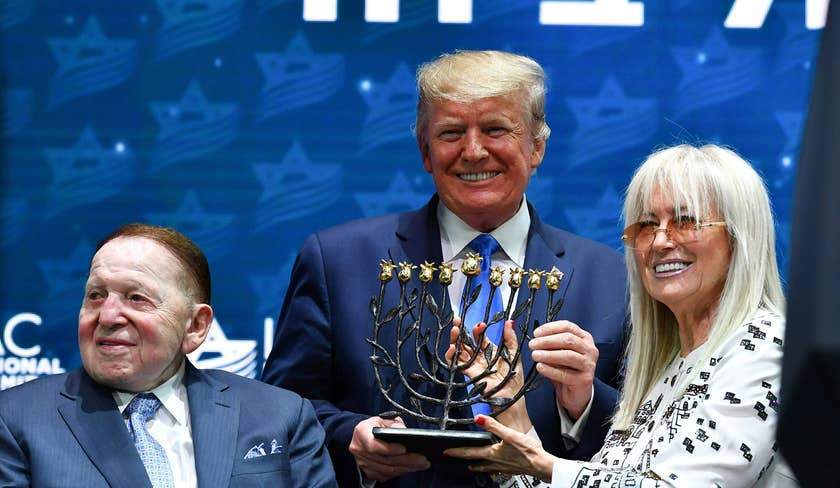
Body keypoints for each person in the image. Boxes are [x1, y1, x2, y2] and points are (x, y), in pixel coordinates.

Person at [261, 50, 628, 487]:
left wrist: (582, 404)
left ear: (537, 147)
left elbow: (652, 436)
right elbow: (278, 412)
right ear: (425, 152)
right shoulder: (338, 261)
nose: (473, 151)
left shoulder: (612, 278)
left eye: (495, 129)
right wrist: (351, 437)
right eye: (451, 133)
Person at [445, 144, 798, 486]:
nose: (659, 242)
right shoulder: (666, 370)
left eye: (686, 221)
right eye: (646, 225)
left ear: (739, 238)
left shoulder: (767, 347)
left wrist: (546, 466)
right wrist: (513, 414)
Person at [0, 224, 336, 488]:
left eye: (136, 298)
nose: (107, 316)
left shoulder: (281, 416)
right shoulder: (15, 421)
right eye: (96, 295)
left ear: (195, 326)